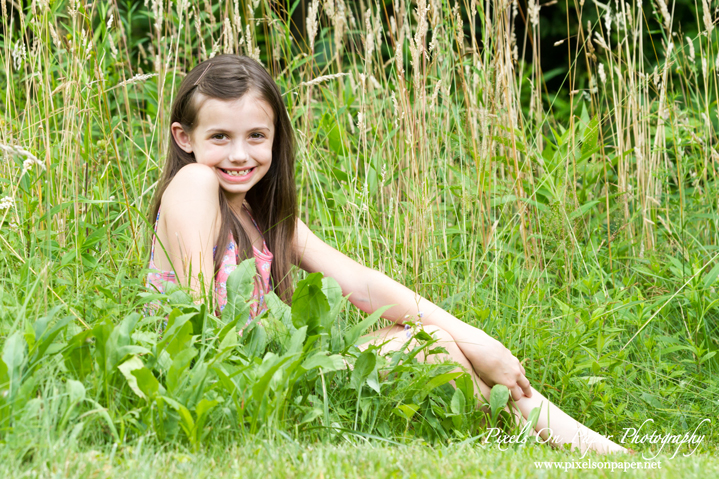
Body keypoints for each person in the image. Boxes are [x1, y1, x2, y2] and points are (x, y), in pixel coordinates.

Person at [146, 54, 628, 455]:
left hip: (263, 375)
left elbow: (361, 284)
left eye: (256, 136)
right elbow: (193, 319)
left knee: (434, 342)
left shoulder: (260, 215)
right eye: (219, 138)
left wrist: (475, 338)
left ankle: (588, 449)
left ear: (276, 138)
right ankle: (589, 449)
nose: (238, 155)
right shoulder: (194, 183)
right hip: (215, 387)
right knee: (430, 349)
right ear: (183, 138)